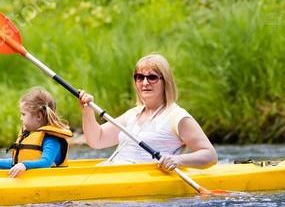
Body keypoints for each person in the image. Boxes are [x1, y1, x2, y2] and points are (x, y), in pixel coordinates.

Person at [78, 53, 217, 171]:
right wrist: (87, 110)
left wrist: (177, 160)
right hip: (116, 174)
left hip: (143, 182)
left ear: (165, 81)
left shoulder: (178, 117)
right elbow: (97, 140)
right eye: (140, 77)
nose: (145, 83)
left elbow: (210, 155)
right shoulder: (132, 114)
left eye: (152, 77)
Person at [0, 87, 73, 178]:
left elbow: (46, 163)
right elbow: (15, 163)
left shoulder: (51, 139)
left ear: (38, 116)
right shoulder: (28, 135)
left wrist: (24, 165)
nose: (20, 118)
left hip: (52, 181)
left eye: (23, 114)